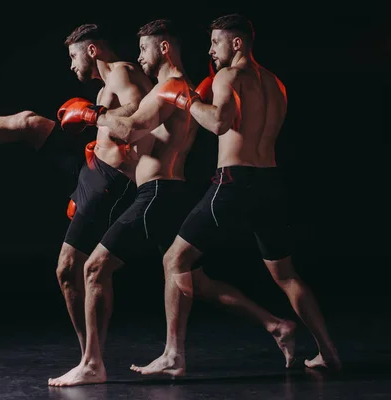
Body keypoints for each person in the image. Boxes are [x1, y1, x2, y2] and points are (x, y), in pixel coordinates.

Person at [48, 18, 296, 387]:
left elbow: (131, 127)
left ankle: (92, 364)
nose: (139, 57)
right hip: (169, 191)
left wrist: (92, 115)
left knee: (94, 268)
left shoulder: (169, 87)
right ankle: (276, 325)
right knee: (193, 279)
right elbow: (143, 134)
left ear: (164, 47)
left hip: (158, 193)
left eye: (144, 49)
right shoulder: (177, 88)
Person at [0, 24, 153, 361]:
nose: (72, 65)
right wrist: (95, 125)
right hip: (91, 169)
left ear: (93, 50)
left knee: (68, 270)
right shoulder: (107, 83)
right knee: (28, 122)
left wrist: (93, 115)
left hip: (110, 182)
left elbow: (139, 118)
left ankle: (91, 358)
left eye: (74, 56)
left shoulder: (122, 73)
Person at [133, 13, 341, 376]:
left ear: (237, 43)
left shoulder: (228, 77)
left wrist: (184, 101)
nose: (211, 50)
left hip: (234, 181)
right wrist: (199, 96)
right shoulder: (276, 84)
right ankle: (328, 352)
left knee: (174, 261)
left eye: (216, 43)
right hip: (270, 182)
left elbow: (219, 123)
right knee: (287, 275)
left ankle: (172, 355)